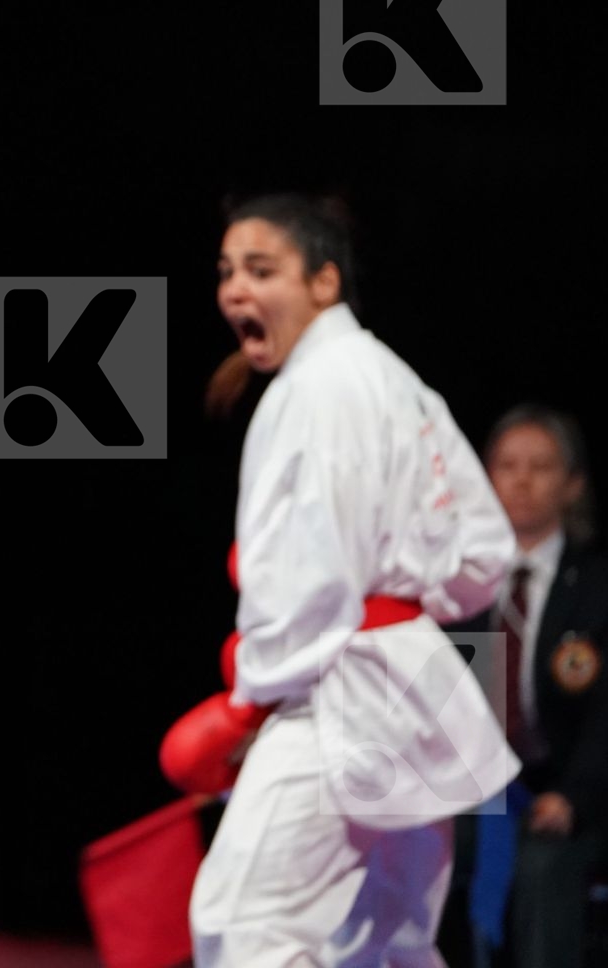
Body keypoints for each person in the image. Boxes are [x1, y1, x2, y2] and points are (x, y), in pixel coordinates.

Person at [188, 193, 520, 966]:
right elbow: (485, 550)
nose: (235, 288)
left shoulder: (318, 388)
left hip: (337, 698)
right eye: (227, 270)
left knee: (245, 927)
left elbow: (312, 579)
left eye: (261, 269)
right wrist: (409, 602)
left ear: (324, 283)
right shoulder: (396, 381)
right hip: (417, 691)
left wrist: (250, 701)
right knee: (388, 944)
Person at [442, 404, 608, 967]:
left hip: (565, 796)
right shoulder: (460, 588)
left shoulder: (605, 594)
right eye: (506, 465)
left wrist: (571, 796)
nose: (521, 480)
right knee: (413, 853)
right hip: (472, 794)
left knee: (542, 868)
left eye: (541, 466)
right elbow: (442, 702)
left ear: (572, 484)